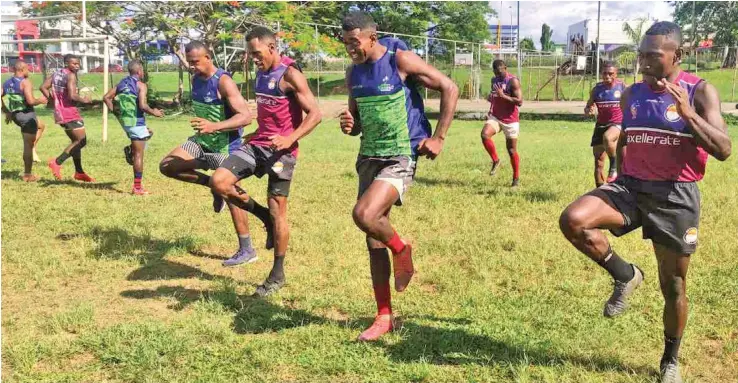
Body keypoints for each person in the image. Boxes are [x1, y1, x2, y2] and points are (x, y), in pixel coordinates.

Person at [559, 22, 731, 383]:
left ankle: (670, 359)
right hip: (631, 187)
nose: (643, 63)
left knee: (673, 287)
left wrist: (688, 114)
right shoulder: (631, 94)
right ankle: (625, 274)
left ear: (676, 55)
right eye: (640, 55)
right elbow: (624, 139)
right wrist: (617, 173)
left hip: (675, 196)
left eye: (653, 56)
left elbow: (724, 149)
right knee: (574, 220)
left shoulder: (700, 91)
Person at [339, 11, 459, 341]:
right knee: (372, 235)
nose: (350, 49)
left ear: (371, 37)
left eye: (355, 42)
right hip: (368, 156)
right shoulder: (353, 73)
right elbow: (358, 122)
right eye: (345, 43)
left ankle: (402, 249)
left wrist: (439, 137)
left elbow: (449, 87)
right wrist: (350, 125)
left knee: (365, 214)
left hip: (401, 154)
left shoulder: (399, 59)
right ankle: (384, 316)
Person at [210, 27, 322, 296]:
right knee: (219, 181)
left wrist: (289, 138)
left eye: (257, 53)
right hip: (258, 145)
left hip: (282, 154)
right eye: (250, 54)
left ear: (272, 47)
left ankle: (277, 273)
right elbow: (271, 112)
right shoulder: (260, 73)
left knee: (278, 210)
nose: (253, 58)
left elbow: (315, 114)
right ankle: (263, 217)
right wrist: (256, 133)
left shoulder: (290, 74)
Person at [158, 41, 260, 267]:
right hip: (202, 143)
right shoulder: (195, 80)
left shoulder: (223, 81)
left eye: (195, 62)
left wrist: (213, 126)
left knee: (231, 194)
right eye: (188, 62)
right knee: (168, 166)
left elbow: (245, 117)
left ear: (208, 57)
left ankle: (247, 250)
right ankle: (212, 186)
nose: (191, 66)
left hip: (226, 147)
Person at [103, 60, 164, 195]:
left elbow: (106, 98)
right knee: (139, 155)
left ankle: (131, 149)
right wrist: (155, 112)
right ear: (139, 71)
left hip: (126, 122)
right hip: (136, 122)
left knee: (148, 134)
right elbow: (142, 106)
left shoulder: (121, 84)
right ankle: (137, 187)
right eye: (142, 70)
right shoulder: (140, 85)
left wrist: (117, 113)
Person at [40, 54, 97, 182]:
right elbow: (72, 96)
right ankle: (56, 162)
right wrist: (85, 100)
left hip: (59, 112)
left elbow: (43, 87)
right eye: (74, 64)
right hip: (69, 112)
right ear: (66, 64)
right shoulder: (70, 75)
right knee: (81, 141)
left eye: (78, 64)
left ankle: (79, 172)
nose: (77, 66)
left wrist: (52, 100)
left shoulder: (57, 73)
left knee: (75, 142)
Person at [1, 60, 48, 182]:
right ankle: (27, 175)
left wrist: (6, 111)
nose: (29, 71)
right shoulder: (25, 82)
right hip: (27, 116)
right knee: (27, 145)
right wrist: (41, 100)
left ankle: (32, 148)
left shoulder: (6, 82)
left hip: (17, 116)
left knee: (41, 126)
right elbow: (31, 101)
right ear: (21, 69)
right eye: (27, 68)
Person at [481, 59, 523, 187]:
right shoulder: (494, 80)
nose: (498, 74)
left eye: (501, 72)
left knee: (511, 150)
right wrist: (490, 105)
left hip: (510, 120)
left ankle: (515, 179)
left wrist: (503, 96)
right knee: (484, 135)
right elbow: (494, 96)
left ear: (505, 68)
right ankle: (495, 160)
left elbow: (519, 101)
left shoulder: (513, 81)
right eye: (496, 72)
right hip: (496, 117)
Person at [585, 61, 626, 186]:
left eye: (610, 74)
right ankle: (599, 191)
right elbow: (588, 105)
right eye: (604, 74)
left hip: (617, 124)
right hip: (600, 125)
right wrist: (588, 109)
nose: (607, 76)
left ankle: (613, 165)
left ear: (616, 74)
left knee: (608, 138)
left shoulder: (623, 87)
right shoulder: (597, 89)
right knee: (598, 163)